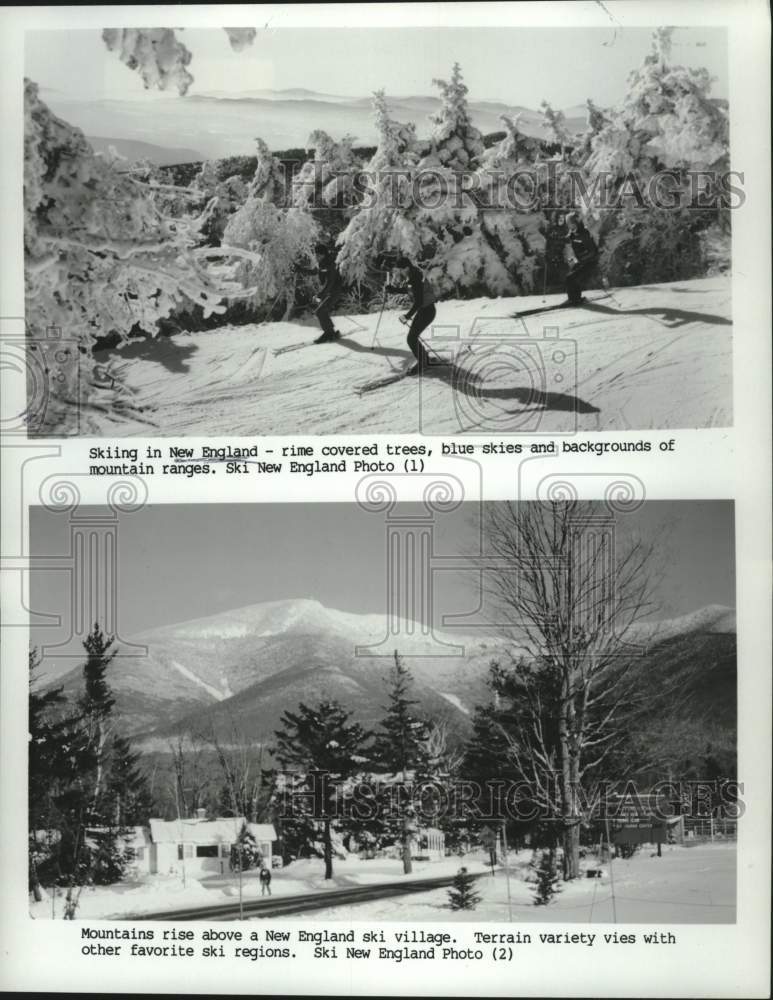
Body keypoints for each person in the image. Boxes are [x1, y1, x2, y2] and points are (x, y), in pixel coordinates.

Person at [386, 256, 437, 376]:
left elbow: (418, 301)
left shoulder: (415, 277)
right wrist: (394, 289)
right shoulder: (414, 275)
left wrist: (407, 316)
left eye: (400, 269)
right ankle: (424, 360)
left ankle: (423, 362)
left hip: (427, 311)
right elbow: (412, 290)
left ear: (406, 268)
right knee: (412, 337)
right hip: (426, 310)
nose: (399, 272)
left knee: (411, 339)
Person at [296, 242, 343, 344]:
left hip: (333, 291)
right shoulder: (322, 263)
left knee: (320, 310)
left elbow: (330, 282)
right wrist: (299, 269)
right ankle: (330, 332)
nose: (316, 256)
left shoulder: (330, 264)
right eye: (316, 254)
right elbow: (314, 272)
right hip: (329, 290)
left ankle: (329, 333)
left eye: (319, 254)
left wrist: (321, 294)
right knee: (321, 310)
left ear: (324, 254)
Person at [563, 211, 598, 306]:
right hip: (582, 261)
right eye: (568, 224)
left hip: (590, 262)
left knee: (570, 278)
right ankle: (575, 299)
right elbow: (567, 239)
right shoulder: (573, 234)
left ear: (576, 223)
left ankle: (573, 300)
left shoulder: (584, 234)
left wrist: (581, 259)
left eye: (571, 223)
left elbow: (593, 252)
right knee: (571, 277)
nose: (569, 226)